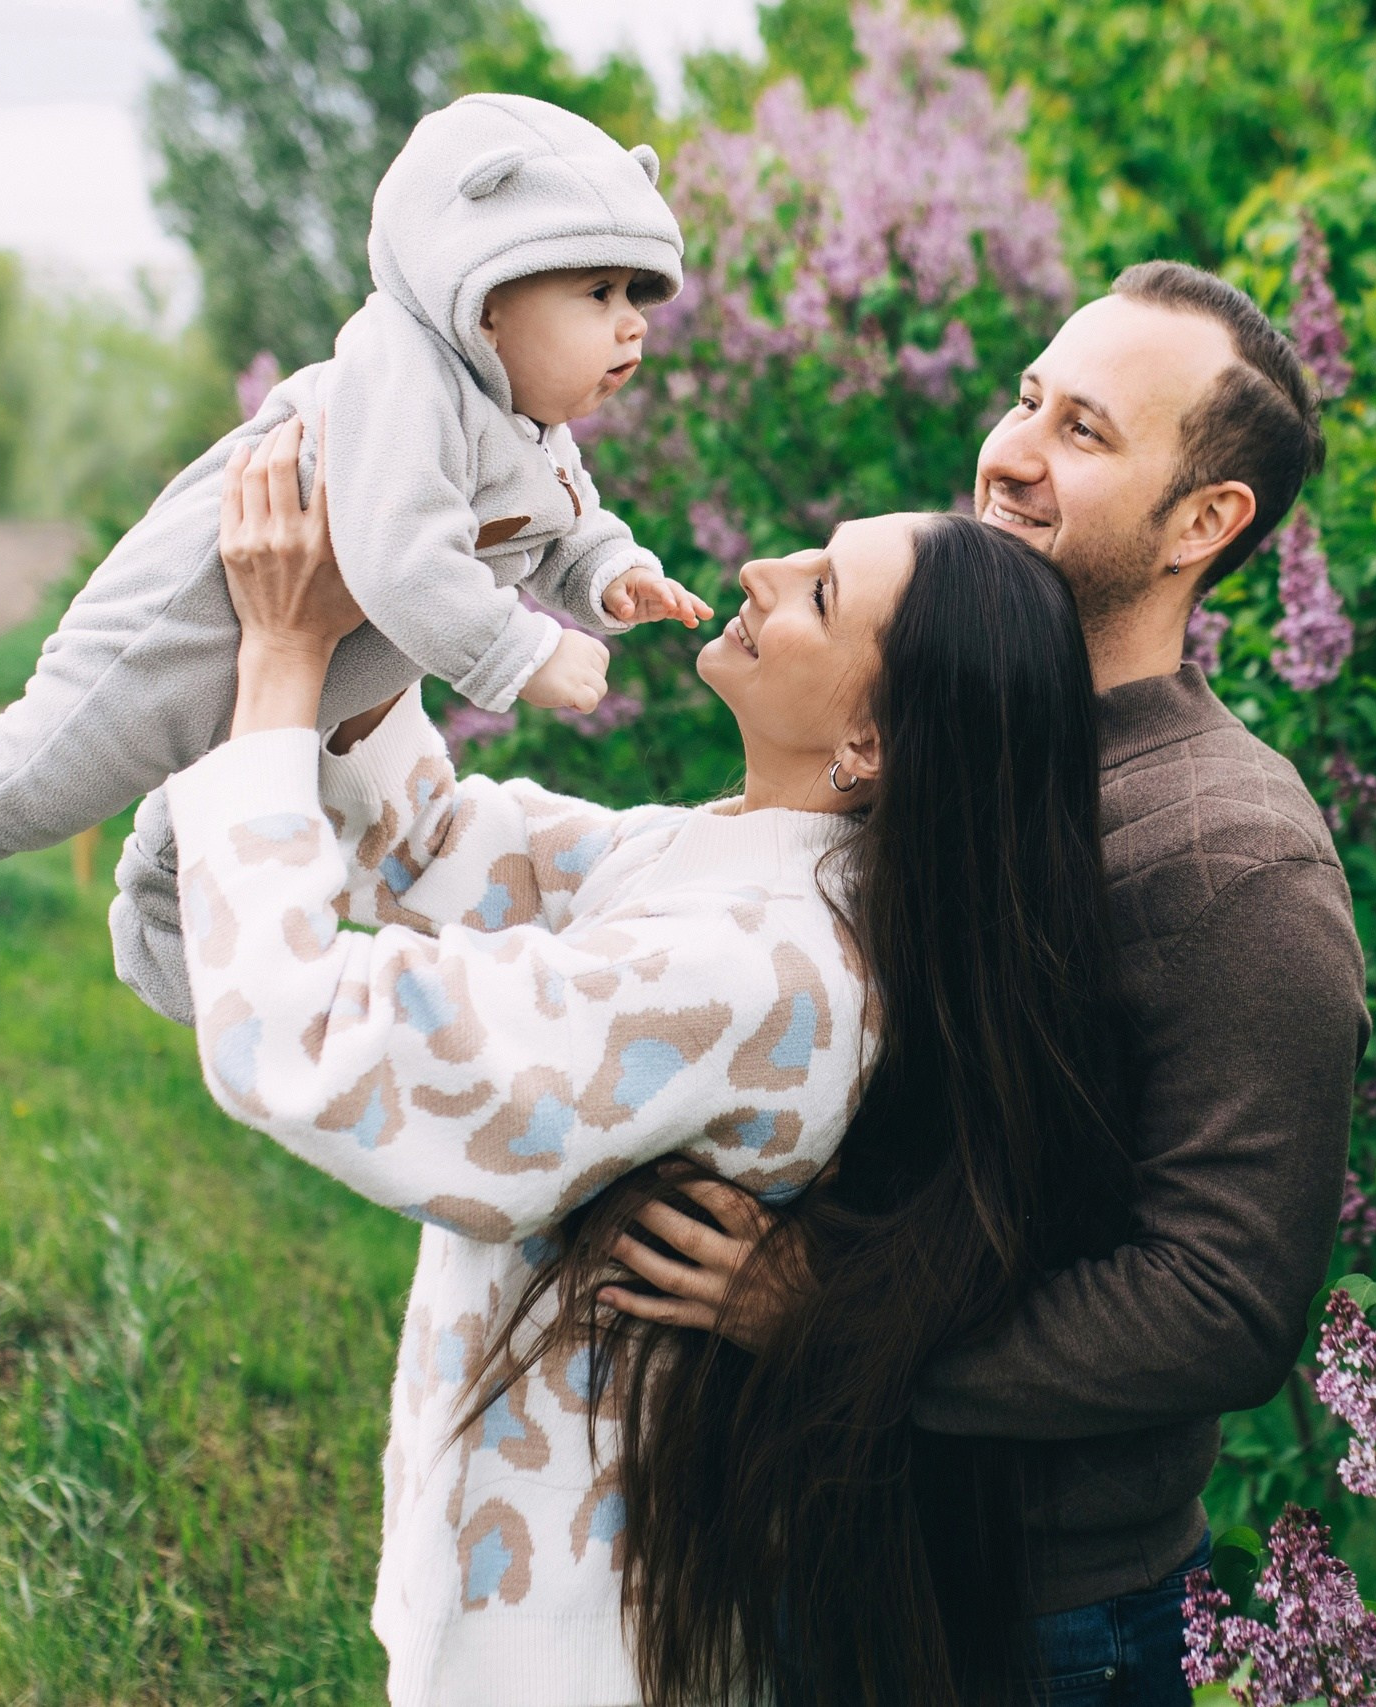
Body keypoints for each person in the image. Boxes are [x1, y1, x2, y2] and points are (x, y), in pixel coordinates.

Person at [179, 418, 1125, 1706]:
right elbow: (445, 845)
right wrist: (389, 595)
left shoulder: (767, 971)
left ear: (872, 746)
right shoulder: (742, 863)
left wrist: (286, 656)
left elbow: (305, 1039)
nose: (762, 570)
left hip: (581, 1645)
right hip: (554, 1582)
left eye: (821, 591)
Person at [612, 261, 1371, 1702]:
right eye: (1029, 396)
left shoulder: (1231, 852)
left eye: (1084, 431)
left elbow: (1224, 1298)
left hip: (1032, 1626)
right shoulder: (930, 724)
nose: (1009, 450)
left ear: (1205, 522)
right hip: (826, 1544)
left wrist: (831, 1318)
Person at [0, 92, 709, 1004]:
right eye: (597, 293)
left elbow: (565, 517)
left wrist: (610, 573)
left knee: (250, 773)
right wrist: (523, 652)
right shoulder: (401, 374)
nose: (632, 322)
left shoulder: (526, 422)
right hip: (187, 619)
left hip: (318, 654)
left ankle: (165, 918)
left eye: (637, 294)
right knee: (56, 772)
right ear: (479, 300)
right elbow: (401, 555)